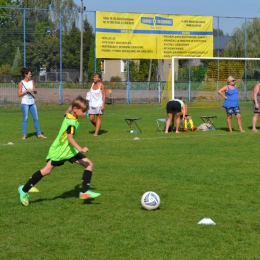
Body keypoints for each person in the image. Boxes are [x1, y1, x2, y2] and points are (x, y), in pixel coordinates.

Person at [18, 96, 101, 206]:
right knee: (46, 171)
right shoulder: (72, 123)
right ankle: (23, 191)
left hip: (70, 151)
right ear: (75, 109)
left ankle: (84, 192)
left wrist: (75, 101)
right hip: (61, 151)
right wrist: (81, 149)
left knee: (89, 164)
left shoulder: (68, 114)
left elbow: (68, 110)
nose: (84, 113)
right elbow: (70, 138)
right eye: (83, 111)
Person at [17, 68, 46, 139]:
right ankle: (24, 135)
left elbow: (35, 91)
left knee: (36, 118)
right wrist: (26, 91)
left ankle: (39, 134)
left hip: (32, 102)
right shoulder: (21, 83)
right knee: (25, 118)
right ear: (25, 75)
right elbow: (19, 94)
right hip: (25, 103)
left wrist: (34, 90)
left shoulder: (32, 81)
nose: (31, 75)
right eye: (29, 74)